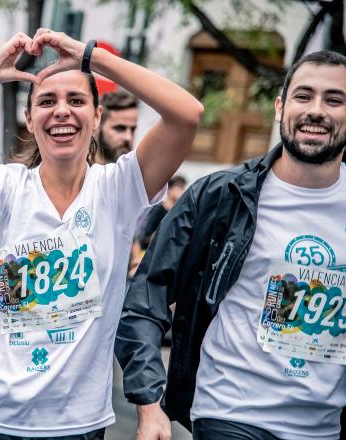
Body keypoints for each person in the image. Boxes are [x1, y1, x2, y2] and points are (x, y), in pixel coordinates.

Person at [0, 29, 202, 439]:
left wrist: (90, 57)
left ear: (96, 117)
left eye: (76, 101)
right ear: (29, 119)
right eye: (46, 101)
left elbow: (186, 114)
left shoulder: (119, 189)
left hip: (73, 424)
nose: (61, 111)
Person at [114, 50, 346, 440]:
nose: (316, 110)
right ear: (280, 107)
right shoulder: (221, 197)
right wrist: (149, 402)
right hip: (230, 413)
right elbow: (145, 297)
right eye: (304, 96)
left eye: (334, 100)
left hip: (324, 427)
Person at [135, 174, 186, 251]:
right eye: (179, 188)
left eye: (183, 188)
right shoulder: (158, 209)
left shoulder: (178, 211)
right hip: (148, 251)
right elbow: (145, 235)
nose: (182, 192)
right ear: (169, 189)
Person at [96, 90, 138, 163]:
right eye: (119, 128)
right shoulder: (82, 170)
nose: (128, 137)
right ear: (97, 125)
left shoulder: (135, 170)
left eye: (133, 130)